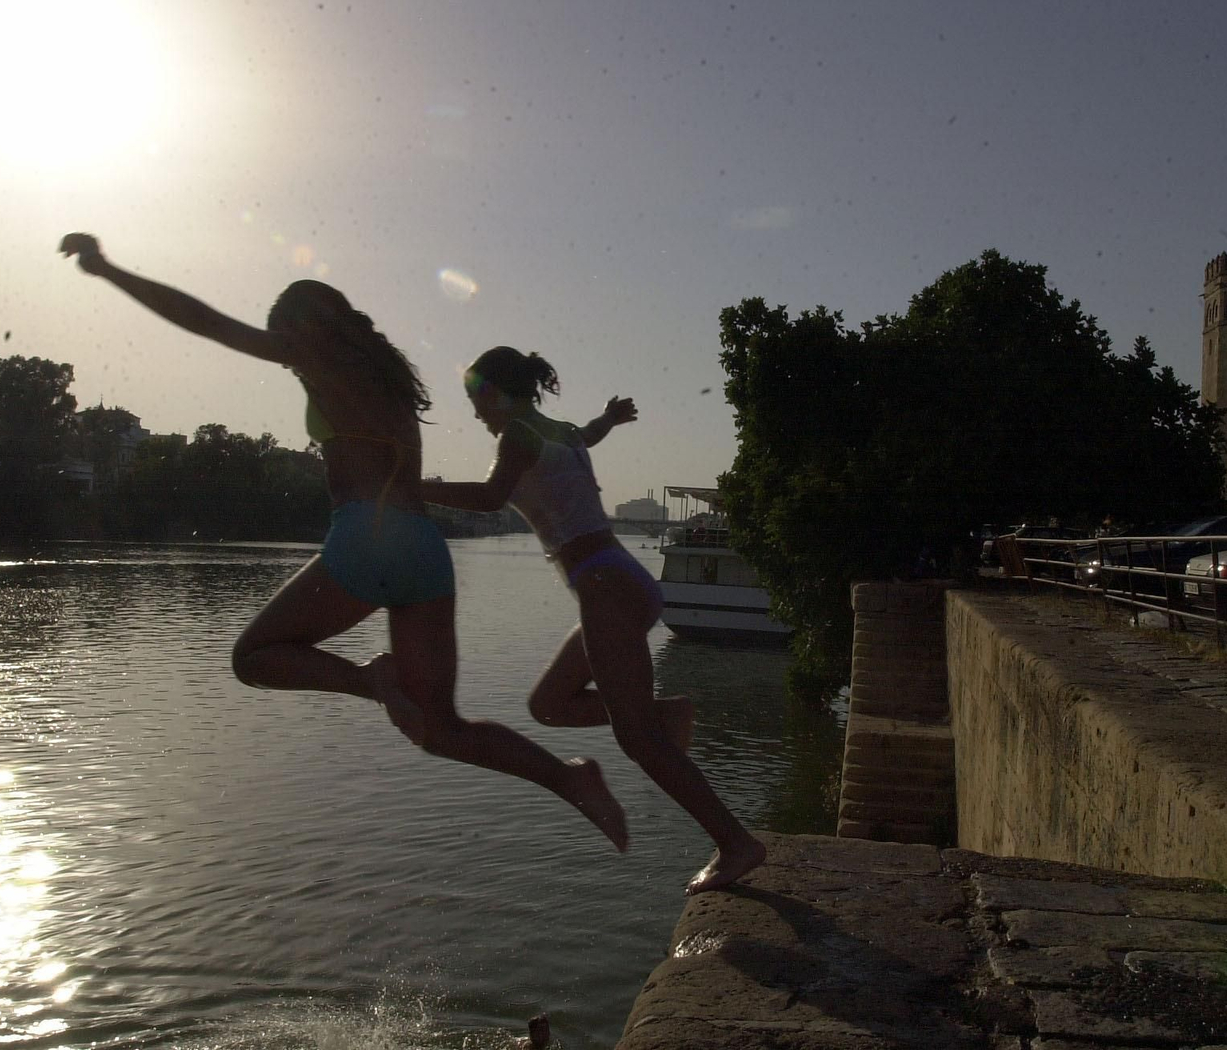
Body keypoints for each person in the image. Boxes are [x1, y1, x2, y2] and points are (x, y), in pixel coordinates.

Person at [56, 234, 627, 852]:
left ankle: (372, 680)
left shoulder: (323, 360)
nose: (289, 355)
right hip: (424, 554)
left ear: (305, 325)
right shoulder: (386, 375)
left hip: (367, 539)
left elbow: (207, 323)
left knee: (255, 657)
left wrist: (110, 271)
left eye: (287, 336)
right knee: (440, 727)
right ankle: (569, 779)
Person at [419, 345, 767, 894]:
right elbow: (589, 432)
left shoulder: (518, 436)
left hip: (607, 590)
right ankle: (665, 714)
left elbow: (489, 498)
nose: (476, 411)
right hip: (618, 582)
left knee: (638, 740)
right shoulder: (559, 430)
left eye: (478, 396)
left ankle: (734, 843)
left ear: (503, 392)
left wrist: (409, 488)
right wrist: (609, 418)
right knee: (548, 705)